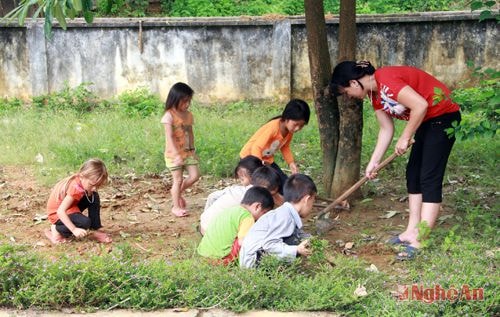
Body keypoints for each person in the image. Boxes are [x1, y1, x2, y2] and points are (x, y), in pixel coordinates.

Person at [330, 60, 461, 260]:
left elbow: (420, 105)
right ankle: (411, 231)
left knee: (429, 177)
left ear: (354, 83)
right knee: (413, 175)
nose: (348, 96)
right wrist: (373, 162)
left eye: (346, 92)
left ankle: (421, 239)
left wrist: (405, 137)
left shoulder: (386, 79)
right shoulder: (375, 96)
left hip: (444, 116)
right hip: (426, 120)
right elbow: (386, 129)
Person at [239, 173, 316, 268]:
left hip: (254, 257)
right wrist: (296, 250)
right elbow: (269, 244)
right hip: (253, 264)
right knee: (293, 242)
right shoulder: (284, 216)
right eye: (313, 200)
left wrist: (312, 240)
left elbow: (297, 233)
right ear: (307, 199)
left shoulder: (285, 213)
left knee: (295, 238)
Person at [239, 99, 310, 193]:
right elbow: (256, 147)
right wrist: (261, 170)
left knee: (284, 185)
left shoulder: (289, 131)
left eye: (301, 126)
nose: (297, 129)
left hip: (266, 160)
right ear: (287, 118)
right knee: (265, 186)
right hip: (250, 160)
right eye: (295, 124)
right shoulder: (273, 128)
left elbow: (285, 147)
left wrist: (291, 163)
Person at [197, 186, 274, 265]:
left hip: (203, 254)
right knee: (249, 240)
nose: (264, 218)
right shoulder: (247, 217)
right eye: (264, 213)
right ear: (257, 206)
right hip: (220, 259)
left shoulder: (231, 210)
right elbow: (243, 243)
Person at [199, 166, 283, 235]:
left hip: (203, 225)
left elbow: (212, 196)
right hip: (213, 234)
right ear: (263, 189)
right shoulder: (252, 202)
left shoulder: (237, 189)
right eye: (272, 195)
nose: (272, 198)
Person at [45, 158, 112, 244]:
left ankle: (95, 228)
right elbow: (60, 211)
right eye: (92, 185)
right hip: (57, 214)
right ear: (82, 176)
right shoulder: (75, 188)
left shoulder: (82, 183)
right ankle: (57, 229)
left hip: (71, 207)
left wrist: (91, 191)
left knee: (94, 196)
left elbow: (90, 194)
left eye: (97, 186)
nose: (94, 188)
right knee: (84, 222)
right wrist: (74, 229)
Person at [161, 82, 201, 217]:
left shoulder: (189, 115)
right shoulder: (169, 116)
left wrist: (193, 150)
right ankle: (176, 206)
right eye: (184, 101)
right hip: (173, 154)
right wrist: (176, 155)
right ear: (175, 99)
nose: (187, 104)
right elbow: (169, 137)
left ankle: (177, 193)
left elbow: (190, 133)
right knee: (177, 180)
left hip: (188, 152)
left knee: (195, 176)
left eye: (188, 101)